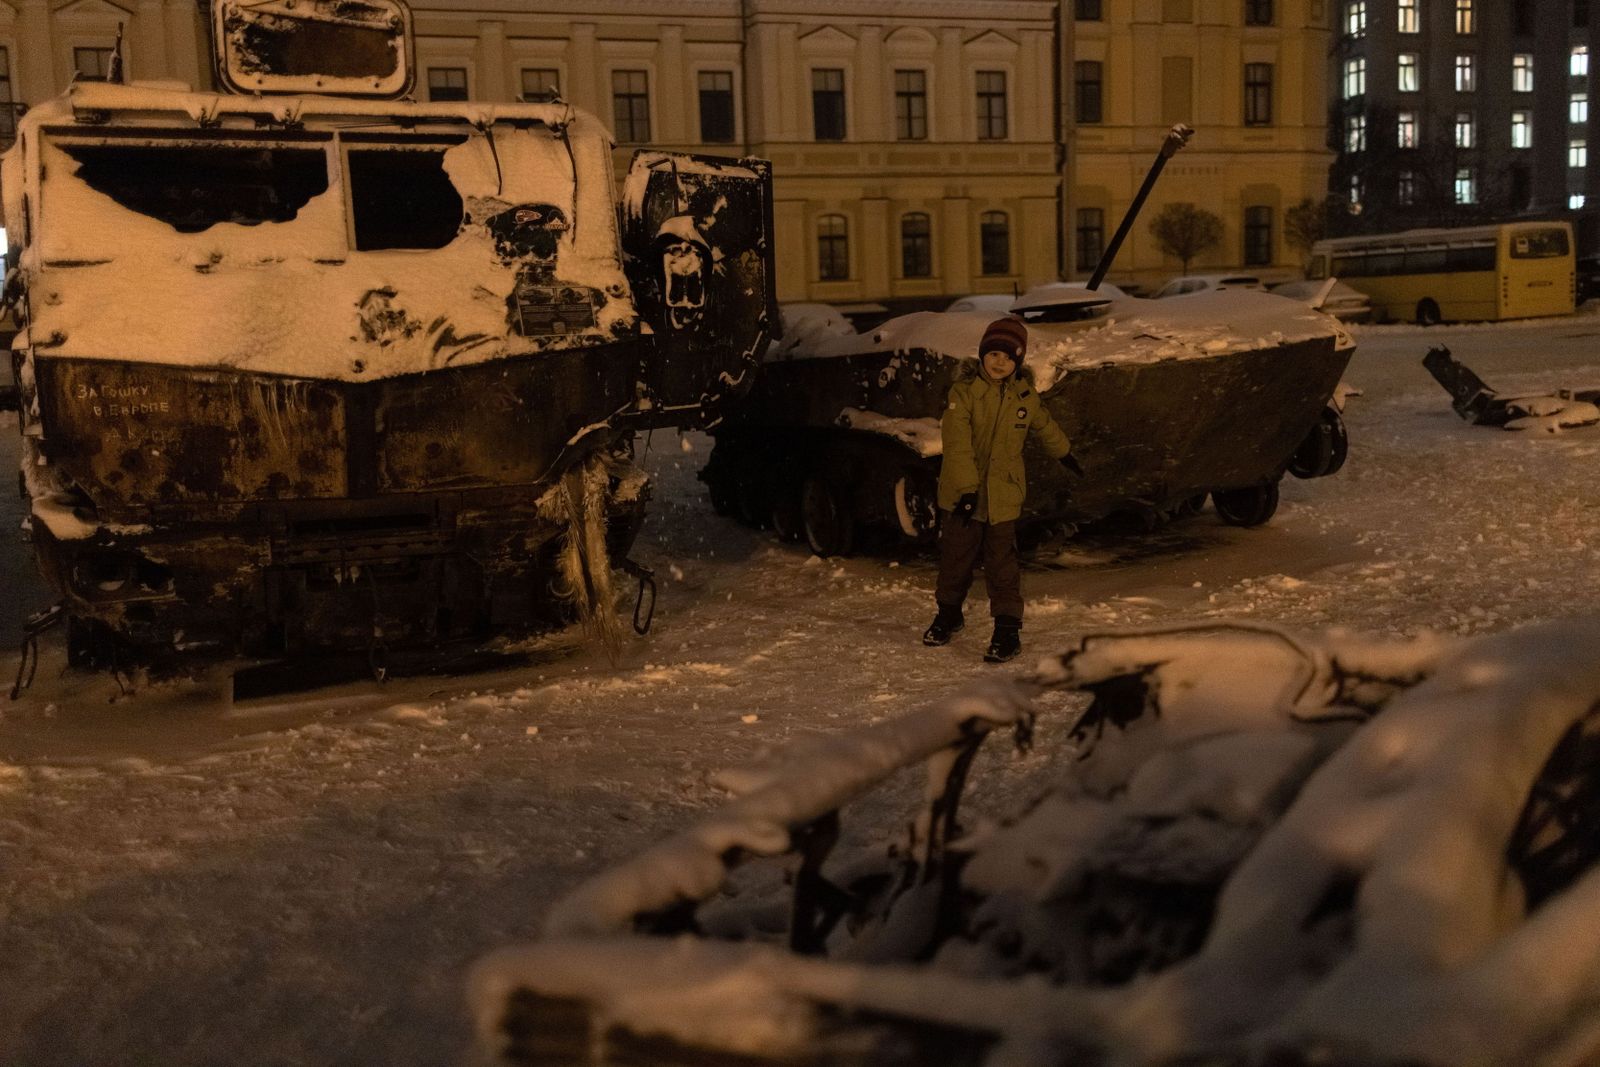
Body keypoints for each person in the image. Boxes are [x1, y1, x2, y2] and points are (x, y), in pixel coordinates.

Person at [923, 316, 1078, 663]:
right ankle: (948, 615)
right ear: (982, 356)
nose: (999, 362)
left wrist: (1065, 452)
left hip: (1003, 498)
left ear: (1017, 362)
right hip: (963, 497)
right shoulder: (963, 394)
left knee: (1003, 565)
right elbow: (958, 445)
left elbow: (1044, 426)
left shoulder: (1025, 396)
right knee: (956, 560)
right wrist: (966, 491)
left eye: (1008, 357)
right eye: (993, 354)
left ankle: (1007, 630)